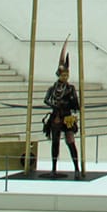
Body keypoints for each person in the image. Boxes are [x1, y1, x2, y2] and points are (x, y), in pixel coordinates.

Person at [42, 45, 81, 179]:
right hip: (56, 116)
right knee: (55, 142)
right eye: (63, 75)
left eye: (67, 75)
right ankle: (53, 168)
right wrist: (54, 105)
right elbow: (46, 100)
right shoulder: (52, 88)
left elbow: (76, 104)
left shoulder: (70, 88)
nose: (66, 77)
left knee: (70, 141)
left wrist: (70, 102)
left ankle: (77, 168)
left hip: (67, 117)